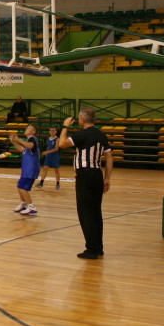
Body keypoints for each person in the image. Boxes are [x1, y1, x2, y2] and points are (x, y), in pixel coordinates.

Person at [57, 108, 113, 259]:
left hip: (85, 176)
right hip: (97, 175)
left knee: (85, 213)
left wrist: (65, 126)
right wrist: (107, 178)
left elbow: (61, 143)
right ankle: (98, 247)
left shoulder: (81, 134)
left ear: (82, 120)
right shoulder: (101, 135)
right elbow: (109, 157)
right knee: (96, 212)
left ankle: (92, 249)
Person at [10, 124, 40, 216]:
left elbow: (30, 146)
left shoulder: (32, 139)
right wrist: (14, 142)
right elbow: (22, 149)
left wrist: (18, 139)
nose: (26, 128)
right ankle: (24, 203)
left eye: (29, 128)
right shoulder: (28, 140)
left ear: (33, 131)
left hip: (31, 168)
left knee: (22, 187)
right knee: (20, 185)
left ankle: (31, 207)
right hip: (27, 169)